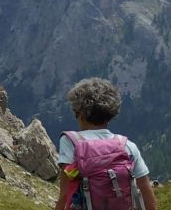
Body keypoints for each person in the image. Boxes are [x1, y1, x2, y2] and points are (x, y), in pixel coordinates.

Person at [53, 78, 157, 210]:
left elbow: (65, 194)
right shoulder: (127, 146)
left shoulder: (71, 142)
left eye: (76, 113)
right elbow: (147, 194)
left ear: (81, 115)